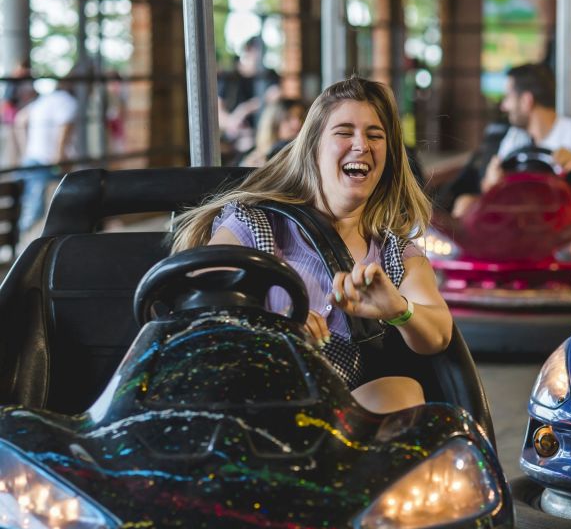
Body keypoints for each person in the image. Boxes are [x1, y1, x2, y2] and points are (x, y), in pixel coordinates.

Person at [173, 75, 453, 415]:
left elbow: (439, 333)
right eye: (344, 132)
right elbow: (197, 312)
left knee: (402, 391)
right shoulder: (257, 226)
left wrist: (398, 309)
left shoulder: (393, 253)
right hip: (249, 409)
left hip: (336, 429)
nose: (361, 145)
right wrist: (272, 332)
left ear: (389, 157)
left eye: (375, 135)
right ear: (314, 147)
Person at [452, 62, 571, 219]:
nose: (504, 106)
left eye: (508, 98)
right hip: (518, 218)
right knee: (464, 203)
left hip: (562, 221)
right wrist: (491, 181)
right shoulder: (515, 136)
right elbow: (488, 191)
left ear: (527, 101)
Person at [15, 76, 78, 235]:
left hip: (33, 158)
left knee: (32, 207)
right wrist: (60, 157)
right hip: (48, 162)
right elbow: (64, 131)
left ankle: (24, 243)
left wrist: (26, 150)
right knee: (40, 209)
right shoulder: (68, 101)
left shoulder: (44, 100)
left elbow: (20, 120)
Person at [217, 36, 281, 161]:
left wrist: (246, 108)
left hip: (263, 137)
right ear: (247, 50)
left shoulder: (269, 75)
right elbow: (218, 114)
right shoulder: (229, 77)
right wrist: (233, 121)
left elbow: (276, 97)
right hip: (233, 141)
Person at [240, 97, 305, 167]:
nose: (298, 124)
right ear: (273, 124)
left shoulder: (304, 155)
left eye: (300, 117)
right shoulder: (253, 159)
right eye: (288, 118)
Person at [1, 58, 36, 169]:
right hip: (13, 117)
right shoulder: (15, 80)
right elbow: (8, 100)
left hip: (18, 117)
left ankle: (19, 168)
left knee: (19, 145)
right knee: (15, 146)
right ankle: (15, 169)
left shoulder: (23, 80)